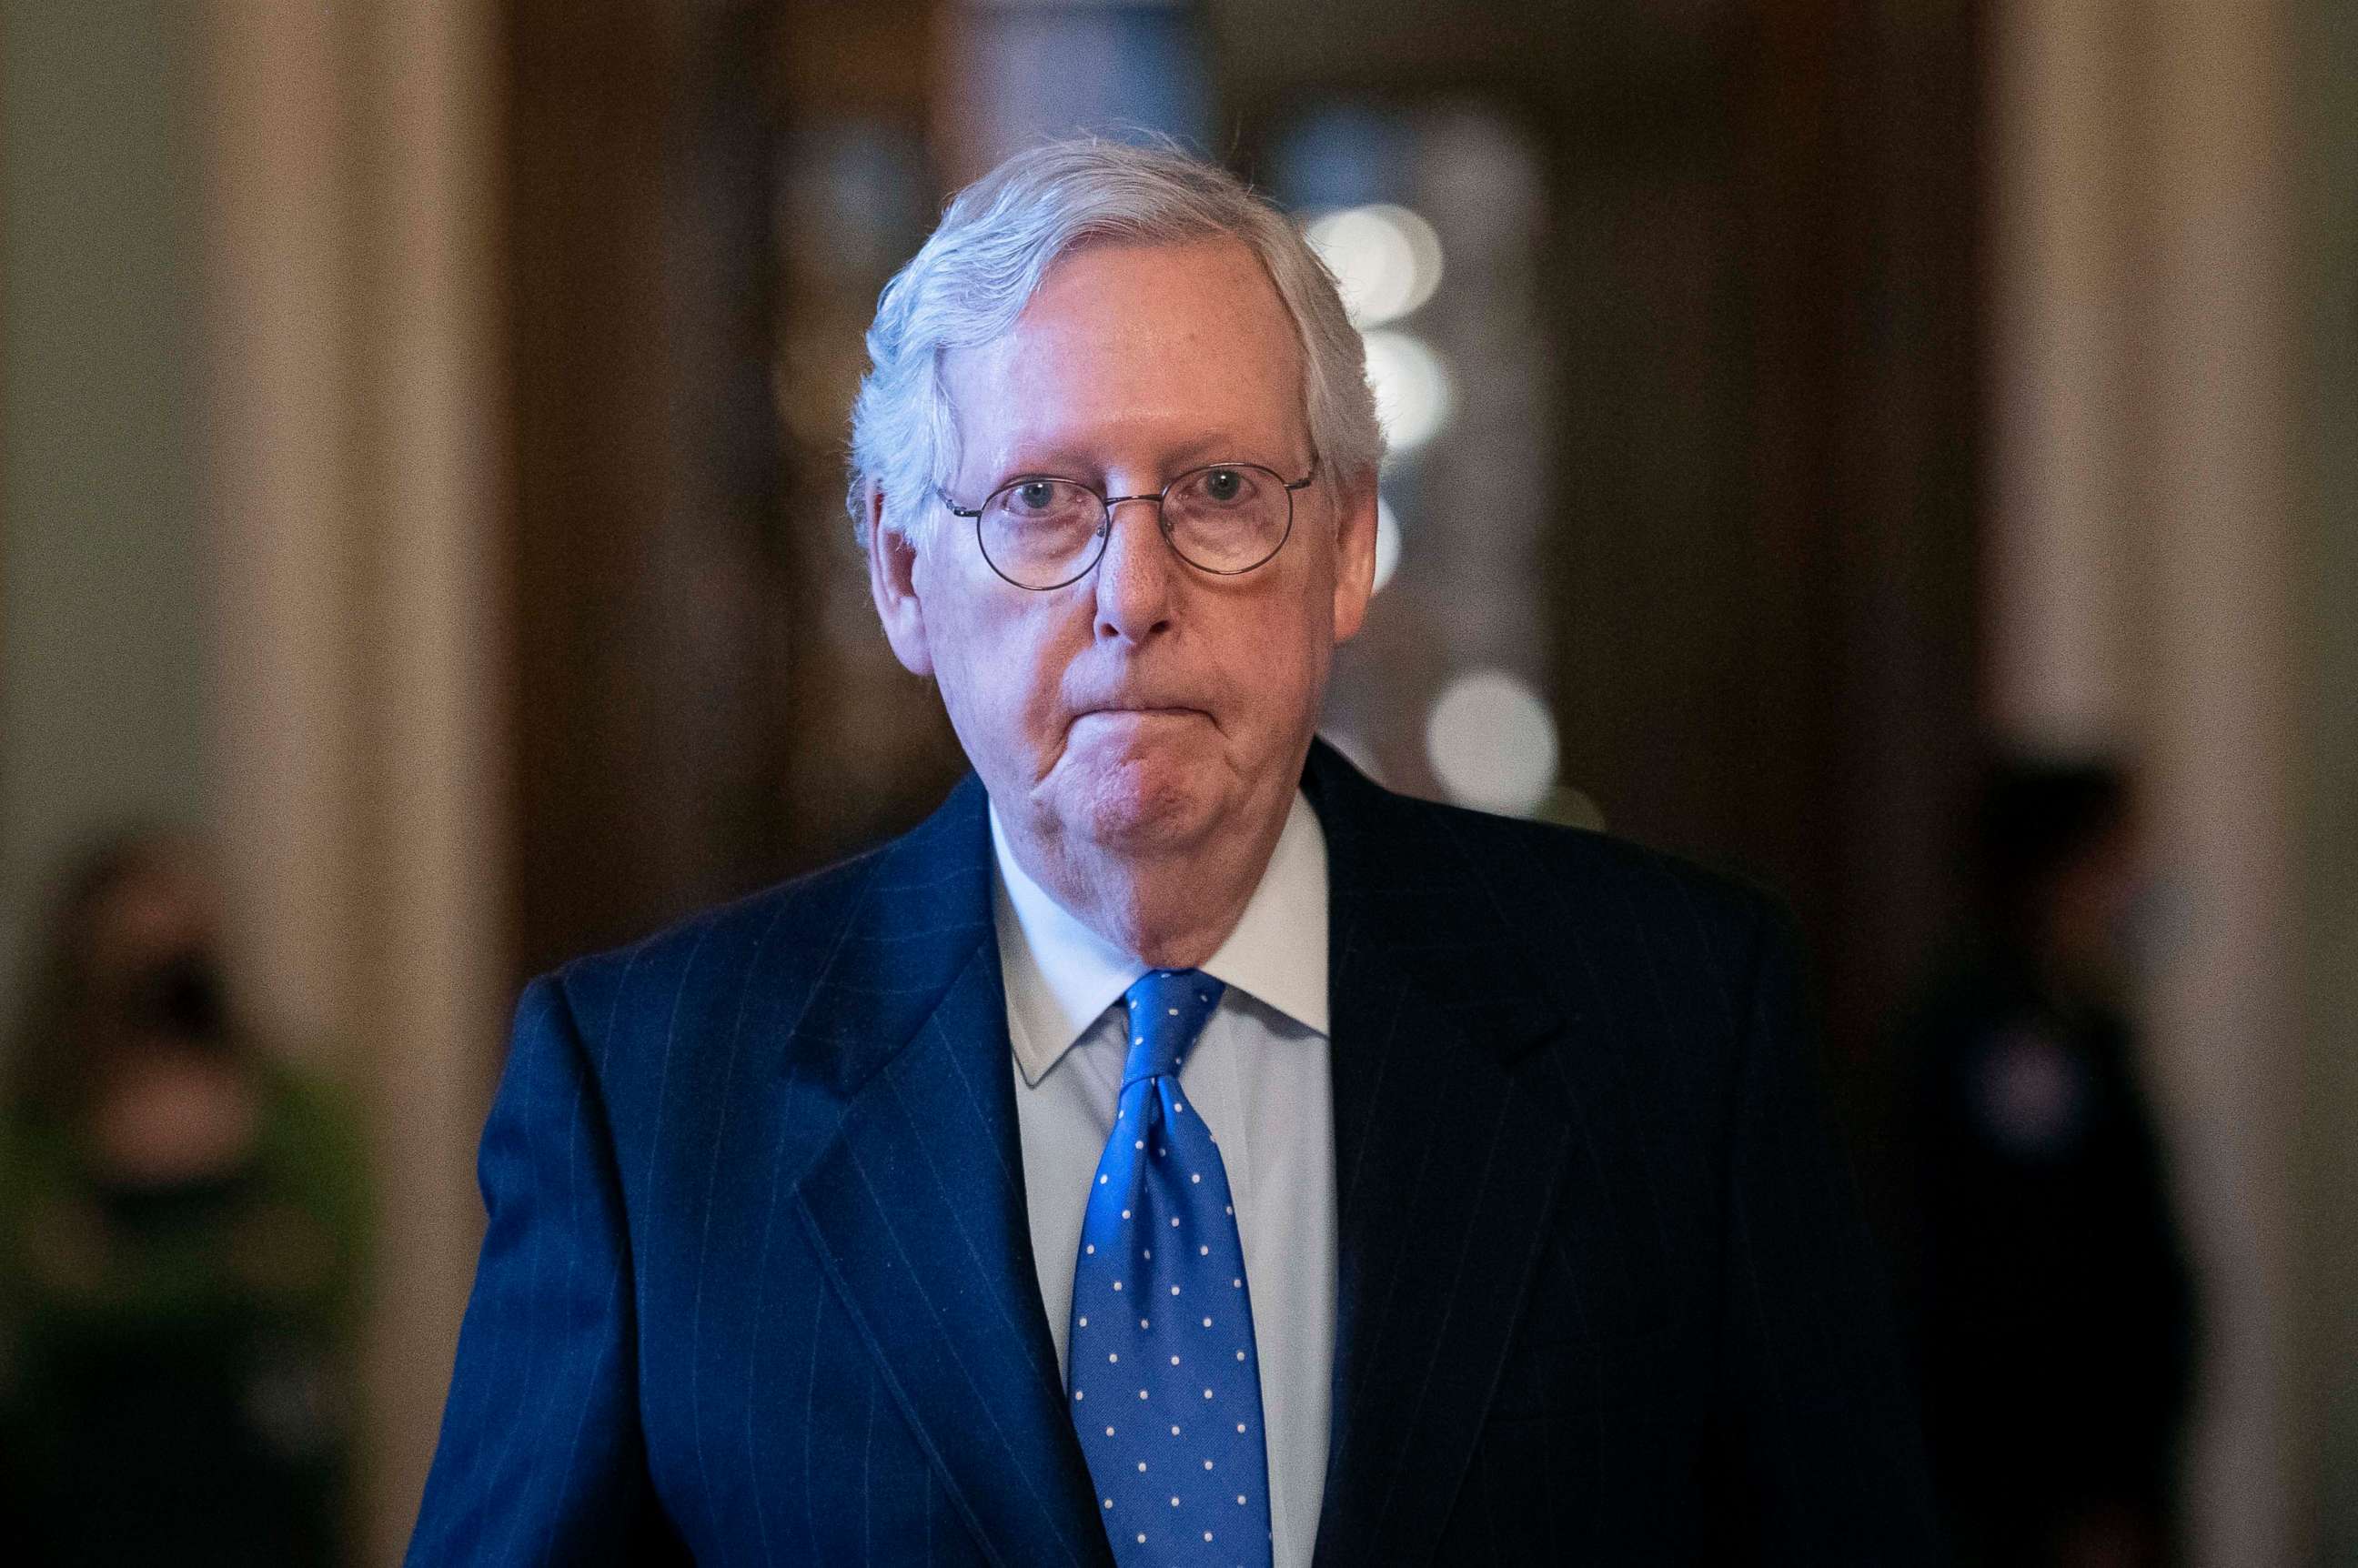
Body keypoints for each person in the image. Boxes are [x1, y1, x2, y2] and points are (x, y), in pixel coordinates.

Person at [409, 137, 1938, 1566]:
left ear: (1345, 546)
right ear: (897, 569)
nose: (1131, 590)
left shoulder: (1676, 1014)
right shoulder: (648, 1089)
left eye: (1217, 490)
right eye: (1040, 498)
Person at [0, 832, 368, 1566]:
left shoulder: (292, 1113)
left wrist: (117, 1281)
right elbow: (40, 1292)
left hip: (263, 1495)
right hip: (79, 1505)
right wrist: (230, 1269)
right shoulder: (39, 1127)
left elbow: (324, 1276)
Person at [1897, 759, 2196, 1568]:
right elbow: (2019, 1278)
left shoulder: (2085, 1026)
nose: (2135, 884)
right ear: (2056, 872)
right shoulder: (1994, 1042)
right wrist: (2079, 1492)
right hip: (2036, 1501)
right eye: (2116, 858)